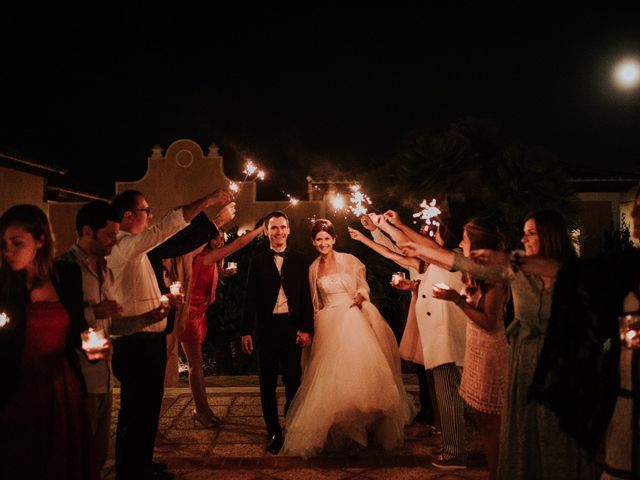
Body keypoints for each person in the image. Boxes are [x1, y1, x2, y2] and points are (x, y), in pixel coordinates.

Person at [399, 210, 596, 479]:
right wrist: (408, 236)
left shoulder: (568, 274)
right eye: (523, 232)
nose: (524, 238)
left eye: (531, 233)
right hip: (522, 361)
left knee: (555, 431)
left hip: (558, 363)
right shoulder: (515, 271)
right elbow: (461, 262)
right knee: (523, 430)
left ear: (550, 236)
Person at [108, 188, 233, 480]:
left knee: (146, 407)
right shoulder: (125, 245)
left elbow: (139, 287)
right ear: (129, 216)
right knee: (136, 410)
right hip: (134, 342)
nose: (149, 216)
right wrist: (209, 201)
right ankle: (131, 470)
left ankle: (141, 463)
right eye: (145, 211)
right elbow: (168, 230)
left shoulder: (135, 250)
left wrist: (164, 300)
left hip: (147, 338)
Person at [280, 219, 414, 459]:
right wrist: (309, 329)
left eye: (327, 239)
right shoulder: (313, 269)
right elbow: (314, 302)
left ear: (334, 240)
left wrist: (361, 295)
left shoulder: (350, 261)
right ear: (314, 242)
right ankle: (341, 432)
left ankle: (363, 429)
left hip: (352, 318)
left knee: (359, 377)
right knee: (331, 380)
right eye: (318, 239)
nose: (323, 243)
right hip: (327, 323)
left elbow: (363, 286)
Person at [59, 200, 167, 476]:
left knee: (97, 456)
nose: (114, 241)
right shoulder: (65, 269)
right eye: (109, 235)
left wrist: (146, 319)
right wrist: (92, 311)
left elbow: (112, 327)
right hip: (77, 377)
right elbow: (58, 321)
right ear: (87, 232)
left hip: (102, 375)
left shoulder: (104, 272)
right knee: (72, 457)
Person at [0, 204, 107, 480]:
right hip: (17, 385)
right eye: (3, 244)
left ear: (40, 240)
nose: (8, 251)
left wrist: (92, 348)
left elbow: (77, 328)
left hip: (60, 384)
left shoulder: (66, 275)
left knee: (61, 460)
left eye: (17, 242)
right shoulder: (4, 284)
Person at [373, 212, 469, 470]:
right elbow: (414, 256)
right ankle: (451, 442)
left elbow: (409, 245)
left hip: (447, 337)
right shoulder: (441, 260)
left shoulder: (454, 258)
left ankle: (455, 453)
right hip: (437, 337)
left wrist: (391, 225)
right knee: (444, 394)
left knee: (449, 395)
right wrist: (412, 286)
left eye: (437, 233)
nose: (433, 236)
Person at [241, 210, 314, 454]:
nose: (279, 232)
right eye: (274, 227)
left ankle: (291, 424)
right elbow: (249, 297)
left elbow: (306, 298)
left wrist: (306, 329)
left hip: (292, 328)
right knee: (267, 384)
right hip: (266, 329)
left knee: (294, 380)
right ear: (266, 231)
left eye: (282, 227)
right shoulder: (258, 260)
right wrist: (246, 331)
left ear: (289, 230)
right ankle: (273, 430)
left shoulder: (301, 260)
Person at [180, 224, 264, 428]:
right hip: (189, 314)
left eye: (222, 238)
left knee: (197, 366)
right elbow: (240, 243)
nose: (221, 242)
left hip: (200, 313)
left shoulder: (213, 260)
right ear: (207, 240)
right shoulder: (204, 257)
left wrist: (223, 275)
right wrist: (261, 228)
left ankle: (203, 408)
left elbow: (204, 281)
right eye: (216, 238)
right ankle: (201, 411)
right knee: (195, 365)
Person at [356, 214, 435, 426]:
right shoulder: (414, 257)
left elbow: (393, 251)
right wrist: (373, 230)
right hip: (417, 310)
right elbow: (390, 250)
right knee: (420, 364)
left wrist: (413, 286)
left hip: (435, 314)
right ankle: (428, 407)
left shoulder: (435, 259)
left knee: (433, 364)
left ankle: (437, 411)